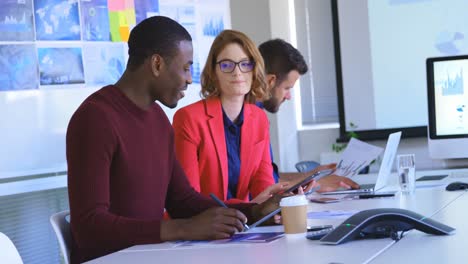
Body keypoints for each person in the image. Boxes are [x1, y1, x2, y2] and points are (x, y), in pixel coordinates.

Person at [66, 17, 278, 264]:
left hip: (151, 256)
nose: (190, 79)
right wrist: (183, 229)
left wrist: (253, 212)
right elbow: (89, 228)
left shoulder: (157, 119)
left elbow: (182, 200)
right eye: (186, 67)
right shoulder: (96, 118)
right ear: (157, 64)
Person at [172, 30, 288, 204]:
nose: (237, 73)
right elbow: (190, 199)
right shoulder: (188, 119)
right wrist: (248, 207)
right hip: (202, 225)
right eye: (226, 65)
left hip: (245, 223)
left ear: (254, 69)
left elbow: (262, 182)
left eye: (245, 64)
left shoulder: (259, 119)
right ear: (214, 72)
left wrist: (279, 198)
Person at [257, 39, 359, 192]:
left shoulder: (257, 115)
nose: (288, 96)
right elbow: (261, 186)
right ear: (270, 81)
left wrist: (311, 175)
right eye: (286, 88)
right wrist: (314, 182)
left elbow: (268, 176)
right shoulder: (246, 118)